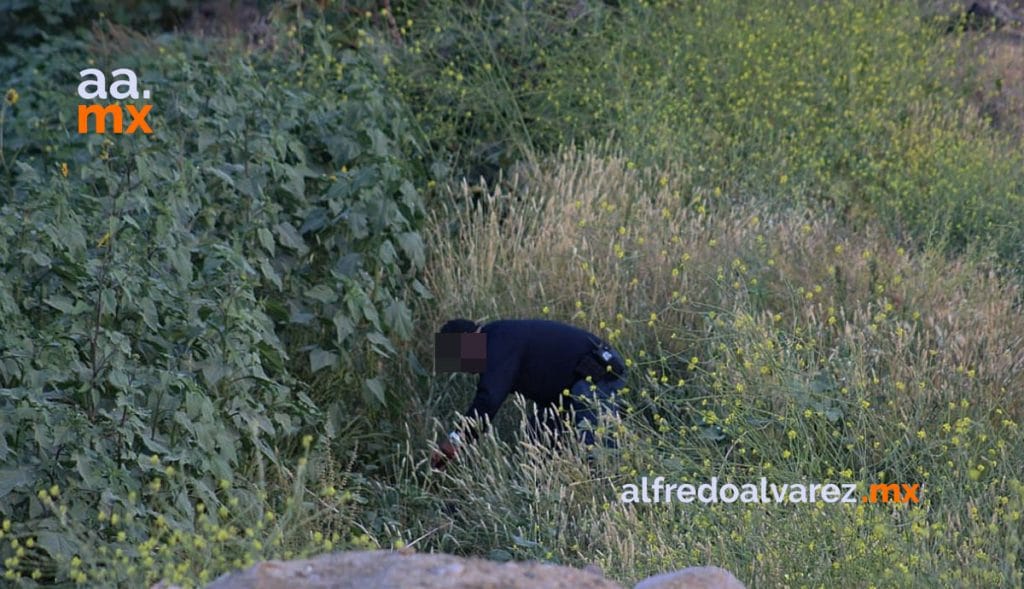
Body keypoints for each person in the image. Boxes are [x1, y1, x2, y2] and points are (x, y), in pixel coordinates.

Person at [430, 318, 627, 469]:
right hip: (570, 389)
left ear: (468, 342)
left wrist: (457, 439)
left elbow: (489, 397)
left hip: (595, 375)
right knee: (537, 437)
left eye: (460, 359)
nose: (466, 369)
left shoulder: (498, 341)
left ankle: (609, 495)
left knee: (598, 456)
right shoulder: (499, 337)